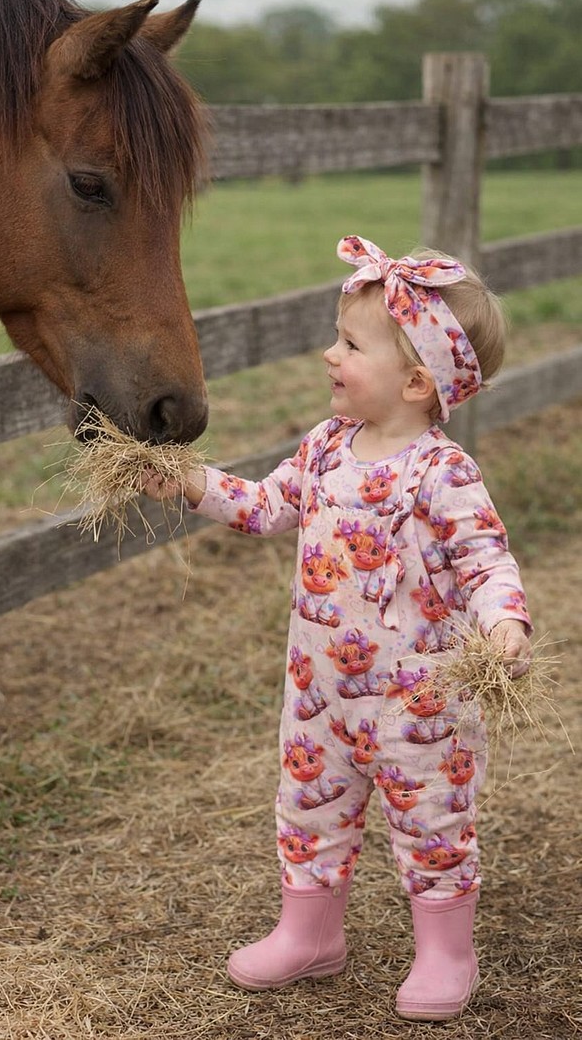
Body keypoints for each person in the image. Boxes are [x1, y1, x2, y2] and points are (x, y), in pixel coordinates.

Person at [142, 235, 532, 1021]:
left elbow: (486, 561)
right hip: (319, 694)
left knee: (432, 821)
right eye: (337, 338)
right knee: (308, 809)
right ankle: (309, 933)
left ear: (417, 381)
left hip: (421, 706)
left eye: (351, 345)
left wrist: (505, 627)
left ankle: (446, 952)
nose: (330, 354)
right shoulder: (325, 448)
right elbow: (266, 506)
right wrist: (191, 482)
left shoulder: (443, 473)